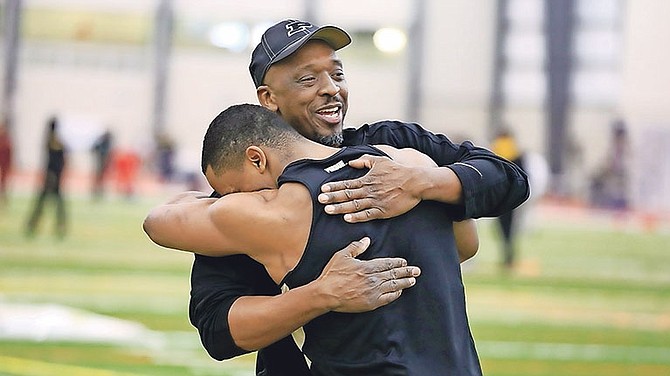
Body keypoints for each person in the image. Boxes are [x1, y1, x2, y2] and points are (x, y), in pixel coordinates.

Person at [188, 19, 529, 375]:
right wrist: (321, 294)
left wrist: (421, 182)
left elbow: (508, 179)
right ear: (268, 98)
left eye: (337, 74)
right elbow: (218, 330)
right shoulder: (253, 191)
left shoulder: (395, 145)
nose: (330, 89)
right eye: (308, 79)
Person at [144, 104, 483, 375]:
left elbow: (159, 222)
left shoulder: (275, 211)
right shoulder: (414, 163)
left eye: (231, 189)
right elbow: (466, 246)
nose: (229, 197)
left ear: (257, 159)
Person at [26, 116, 68, 238]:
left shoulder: (49, 139)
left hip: (50, 176)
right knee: (57, 205)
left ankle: (33, 224)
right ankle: (60, 226)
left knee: (42, 203)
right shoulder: (56, 141)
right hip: (54, 177)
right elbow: (60, 161)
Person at [490, 127, 526, 270]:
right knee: (511, 230)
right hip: (513, 197)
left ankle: (507, 259)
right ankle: (509, 258)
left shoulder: (497, 149)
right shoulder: (516, 152)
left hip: (499, 196)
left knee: (503, 229)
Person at [91, 129, 113, 200]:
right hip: (100, 161)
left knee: (101, 177)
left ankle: (98, 191)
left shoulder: (106, 142)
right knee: (99, 177)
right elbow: (94, 149)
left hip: (103, 162)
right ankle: (96, 191)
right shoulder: (102, 141)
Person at [0, 119, 13, 205]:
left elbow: (9, 153)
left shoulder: (7, 140)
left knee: (4, 182)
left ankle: (4, 199)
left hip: (4, 164)